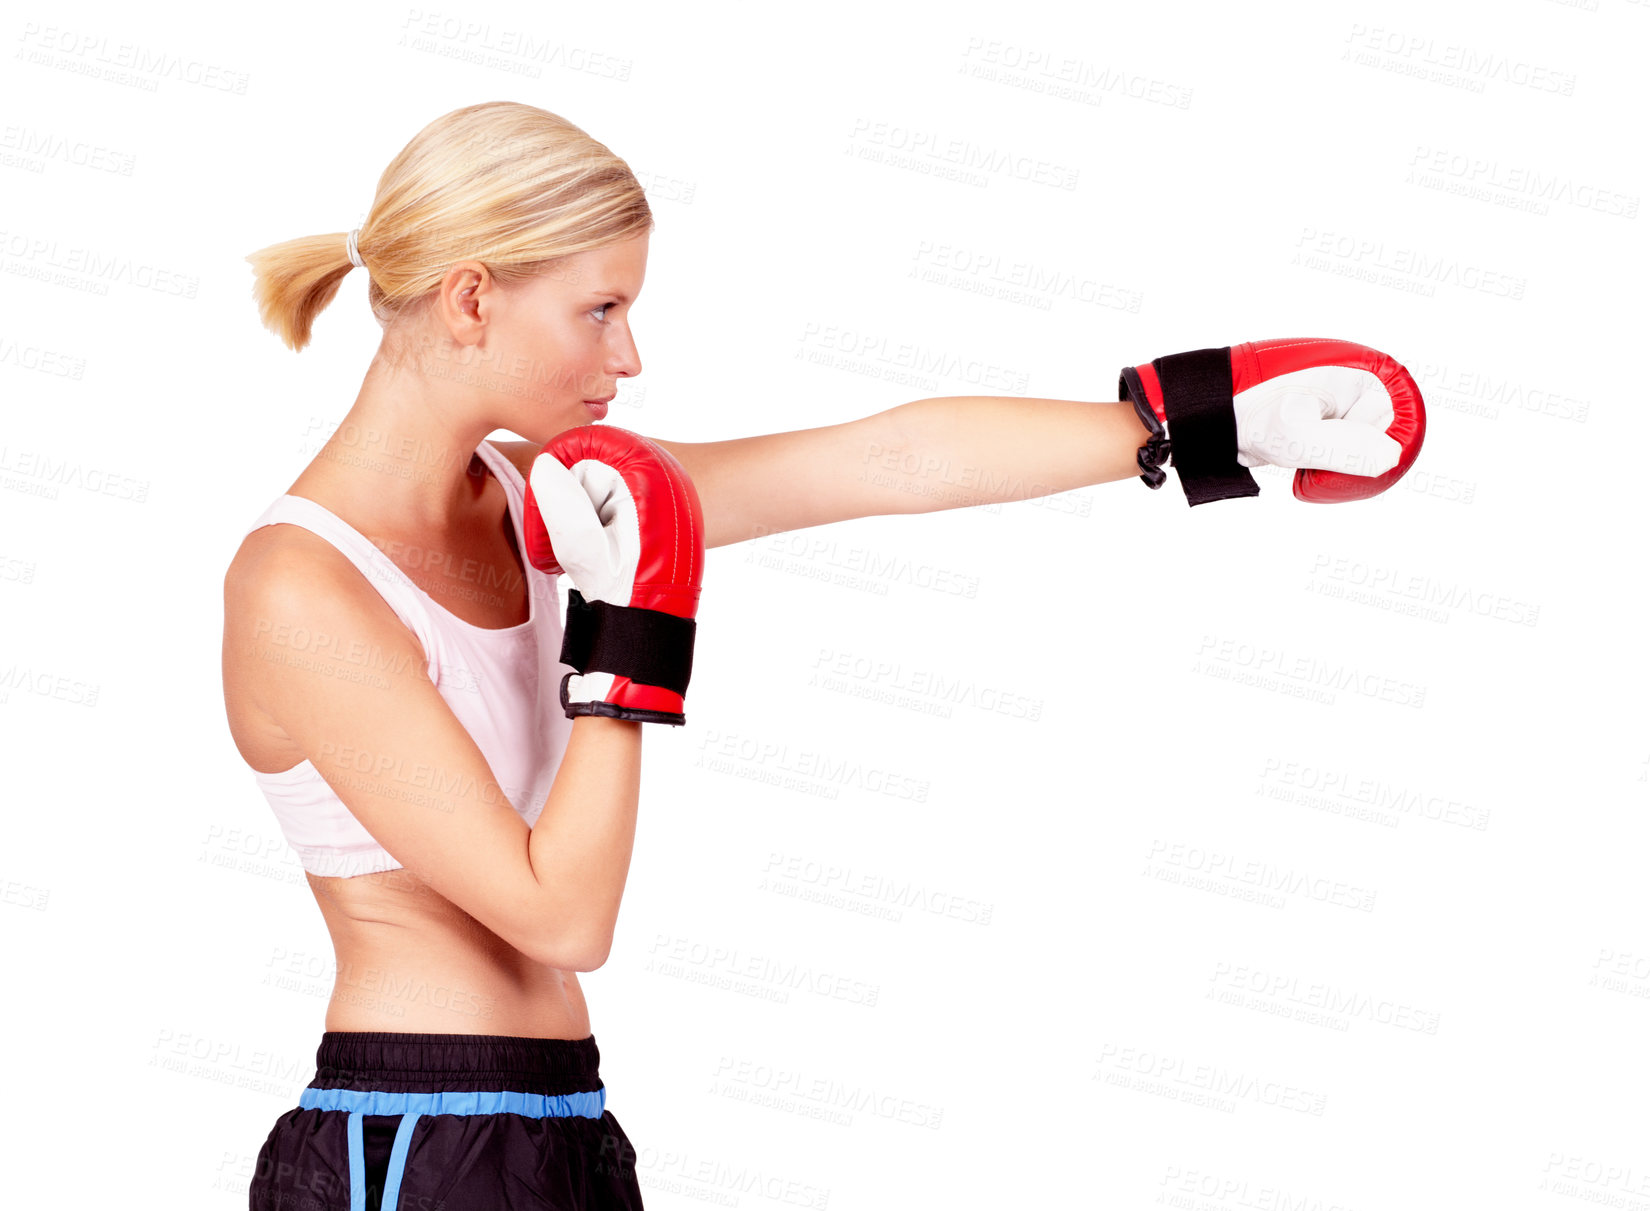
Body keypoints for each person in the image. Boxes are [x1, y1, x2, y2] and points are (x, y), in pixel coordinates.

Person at [224, 100, 1419, 1210]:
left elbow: (875, 462)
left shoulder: (540, 502)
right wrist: (626, 627)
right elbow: (559, 911)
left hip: (561, 1119)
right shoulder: (305, 586)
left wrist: (1184, 424)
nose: (628, 357)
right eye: (600, 309)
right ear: (472, 299)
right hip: (414, 1136)